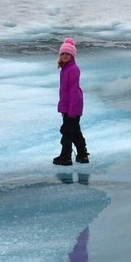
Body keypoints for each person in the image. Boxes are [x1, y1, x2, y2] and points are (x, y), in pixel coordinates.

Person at [54, 38, 88, 166]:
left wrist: (71, 110)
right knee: (74, 131)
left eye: (67, 54)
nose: (64, 56)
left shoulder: (73, 69)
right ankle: (82, 155)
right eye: (62, 53)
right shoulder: (65, 69)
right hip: (68, 106)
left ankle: (66, 157)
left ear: (72, 55)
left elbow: (73, 91)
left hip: (73, 106)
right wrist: (63, 108)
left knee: (67, 131)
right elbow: (64, 91)